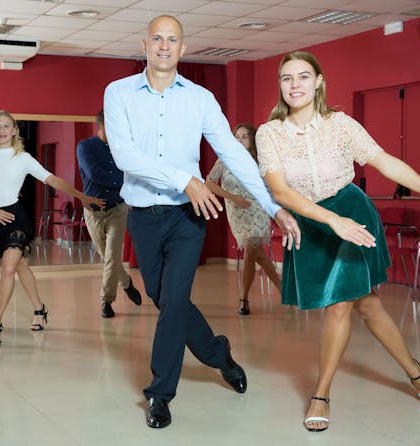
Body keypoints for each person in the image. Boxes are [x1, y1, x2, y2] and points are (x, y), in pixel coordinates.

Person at [256, 50, 420, 432]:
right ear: (280, 85)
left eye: (302, 76)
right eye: (286, 78)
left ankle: (321, 394)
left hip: (353, 213)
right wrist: (332, 221)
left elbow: (386, 162)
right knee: (367, 304)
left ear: (318, 82)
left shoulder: (342, 125)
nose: (294, 85)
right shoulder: (270, 133)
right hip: (315, 222)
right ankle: (416, 372)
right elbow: (280, 192)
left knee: (340, 306)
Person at [104, 15, 301, 429]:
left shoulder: (200, 98)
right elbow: (124, 155)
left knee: (173, 302)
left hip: (188, 217)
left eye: (172, 40)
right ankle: (219, 355)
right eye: (156, 38)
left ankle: (160, 394)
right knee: (166, 299)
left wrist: (272, 206)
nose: (163, 46)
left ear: (183, 48)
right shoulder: (118, 93)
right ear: (144, 45)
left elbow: (233, 153)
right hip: (143, 215)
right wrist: (185, 179)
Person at [0, 110, 104, 347]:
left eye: (6, 126)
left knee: (8, 268)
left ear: (15, 129)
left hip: (16, 218)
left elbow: (51, 179)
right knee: (20, 265)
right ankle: (40, 308)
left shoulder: (23, 158)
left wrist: (81, 196)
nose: (1, 131)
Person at [205, 123, 283, 315]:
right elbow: (209, 184)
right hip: (236, 212)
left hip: (258, 210)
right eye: (237, 136)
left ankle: (244, 299)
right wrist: (233, 198)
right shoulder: (224, 159)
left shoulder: (260, 160)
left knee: (250, 252)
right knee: (257, 254)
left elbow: (272, 185)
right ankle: (284, 289)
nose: (240, 140)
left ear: (252, 140)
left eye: (245, 136)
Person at [76, 110, 142, 318]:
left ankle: (106, 300)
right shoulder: (85, 147)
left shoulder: (122, 149)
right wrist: (121, 180)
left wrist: (123, 178)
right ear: (102, 126)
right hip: (93, 213)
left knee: (112, 256)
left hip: (118, 209)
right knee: (107, 258)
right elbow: (94, 173)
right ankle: (127, 282)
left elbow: (131, 171)